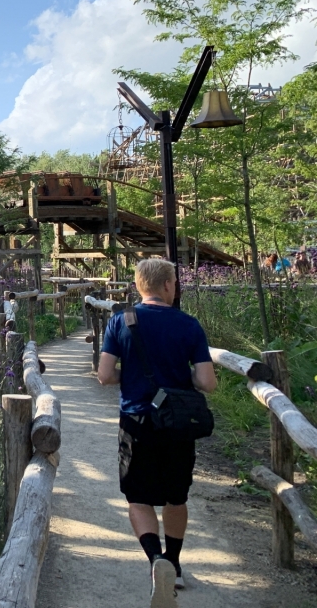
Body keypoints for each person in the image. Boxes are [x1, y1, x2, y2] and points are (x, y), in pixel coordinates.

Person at [97, 259, 217, 608]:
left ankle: (155, 560)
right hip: (178, 424)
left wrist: (133, 377)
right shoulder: (188, 324)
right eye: (175, 282)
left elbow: (105, 375)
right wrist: (181, 378)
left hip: (136, 422)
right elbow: (207, 382)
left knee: (138, 498)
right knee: (176, 497)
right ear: (167, 285)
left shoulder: (121, 321)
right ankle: (174, 563)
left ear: (139, 285)